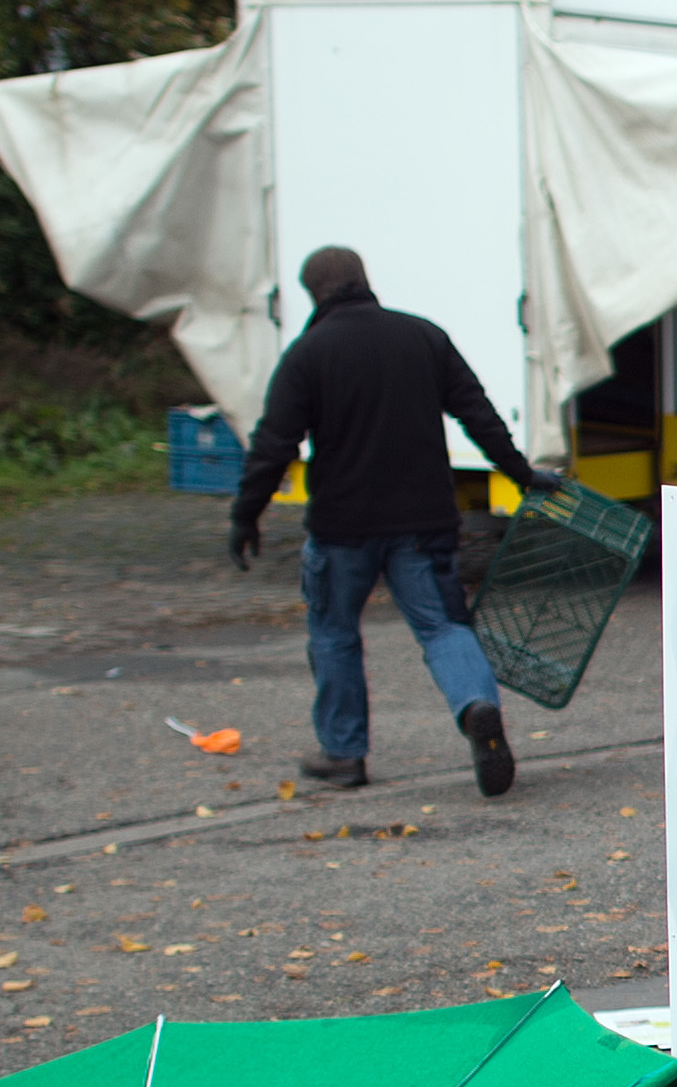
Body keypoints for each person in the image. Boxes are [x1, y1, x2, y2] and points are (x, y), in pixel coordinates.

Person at [228, 245, 563, 795]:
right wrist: (521, 473)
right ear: (363, 279)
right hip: (423, 521)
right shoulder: (422, 336)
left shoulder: (308, 354)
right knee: (442, 627)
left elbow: (273, 446)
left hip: (343, 528)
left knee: (335, 634)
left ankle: (343, 755)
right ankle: (476, 706)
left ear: (314, 293)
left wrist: (247, 516)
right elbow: (476, 411)